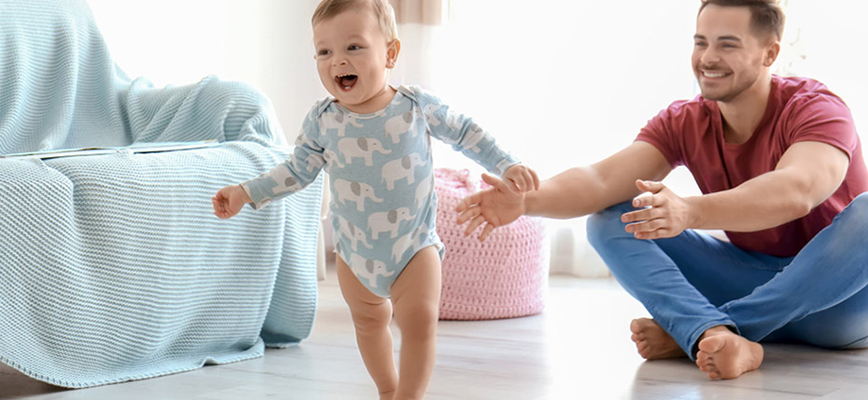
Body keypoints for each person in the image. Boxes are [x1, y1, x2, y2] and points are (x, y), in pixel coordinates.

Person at [456, 0, 868, 381]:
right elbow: (601, 180)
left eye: (727, 44)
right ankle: (711, 332)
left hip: (838, 303)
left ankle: (704, 330)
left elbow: (797, 190)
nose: (708, 58)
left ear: (769, 54)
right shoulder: (685, 120)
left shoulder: (816, 108)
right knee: (613, 217)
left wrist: (690, 211)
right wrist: (527, 200)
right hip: (751, 279)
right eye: (701, 42)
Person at [212, 0, 539, 398]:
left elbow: (466, 132)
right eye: (324, 51)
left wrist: (506, 163)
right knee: (368, 324)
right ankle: (388, 389)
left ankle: (408, 396)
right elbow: (296, 170)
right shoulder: (322, 120)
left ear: (390, 53)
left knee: (419, 320)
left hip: (413, 245)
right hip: (355, 253)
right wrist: (246, 192)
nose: (338, 61)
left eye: (354, 47)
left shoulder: (415, 106)